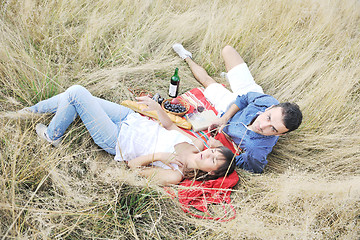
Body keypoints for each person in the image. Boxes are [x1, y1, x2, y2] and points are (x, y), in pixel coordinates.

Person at [23, 85, 236, 185]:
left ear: (211, 173)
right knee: (73, 96)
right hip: (129, 118)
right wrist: (156, 108)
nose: (208, 155)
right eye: (214, 152)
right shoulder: (197, 143)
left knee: (77, 93)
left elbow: (132, 166)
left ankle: (52, 135)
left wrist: (162, 156)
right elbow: (170, 126)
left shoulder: (174, 174)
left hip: (116, 138)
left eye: (213, 161)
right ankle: (28, 113)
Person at [172, 44, 303, 173]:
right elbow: (244, 98)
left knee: (208, 82)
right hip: (245, 96)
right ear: (271, 107)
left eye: (273, 128)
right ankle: (230, 77)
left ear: (280, 134)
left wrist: (221, 147)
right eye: (268, 117)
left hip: (225, 104)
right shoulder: (268, 101)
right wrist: (224, 118)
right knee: (227, 50)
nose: (263, 125)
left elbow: (252, 167)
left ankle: (187, 57)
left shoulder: (257, 149)